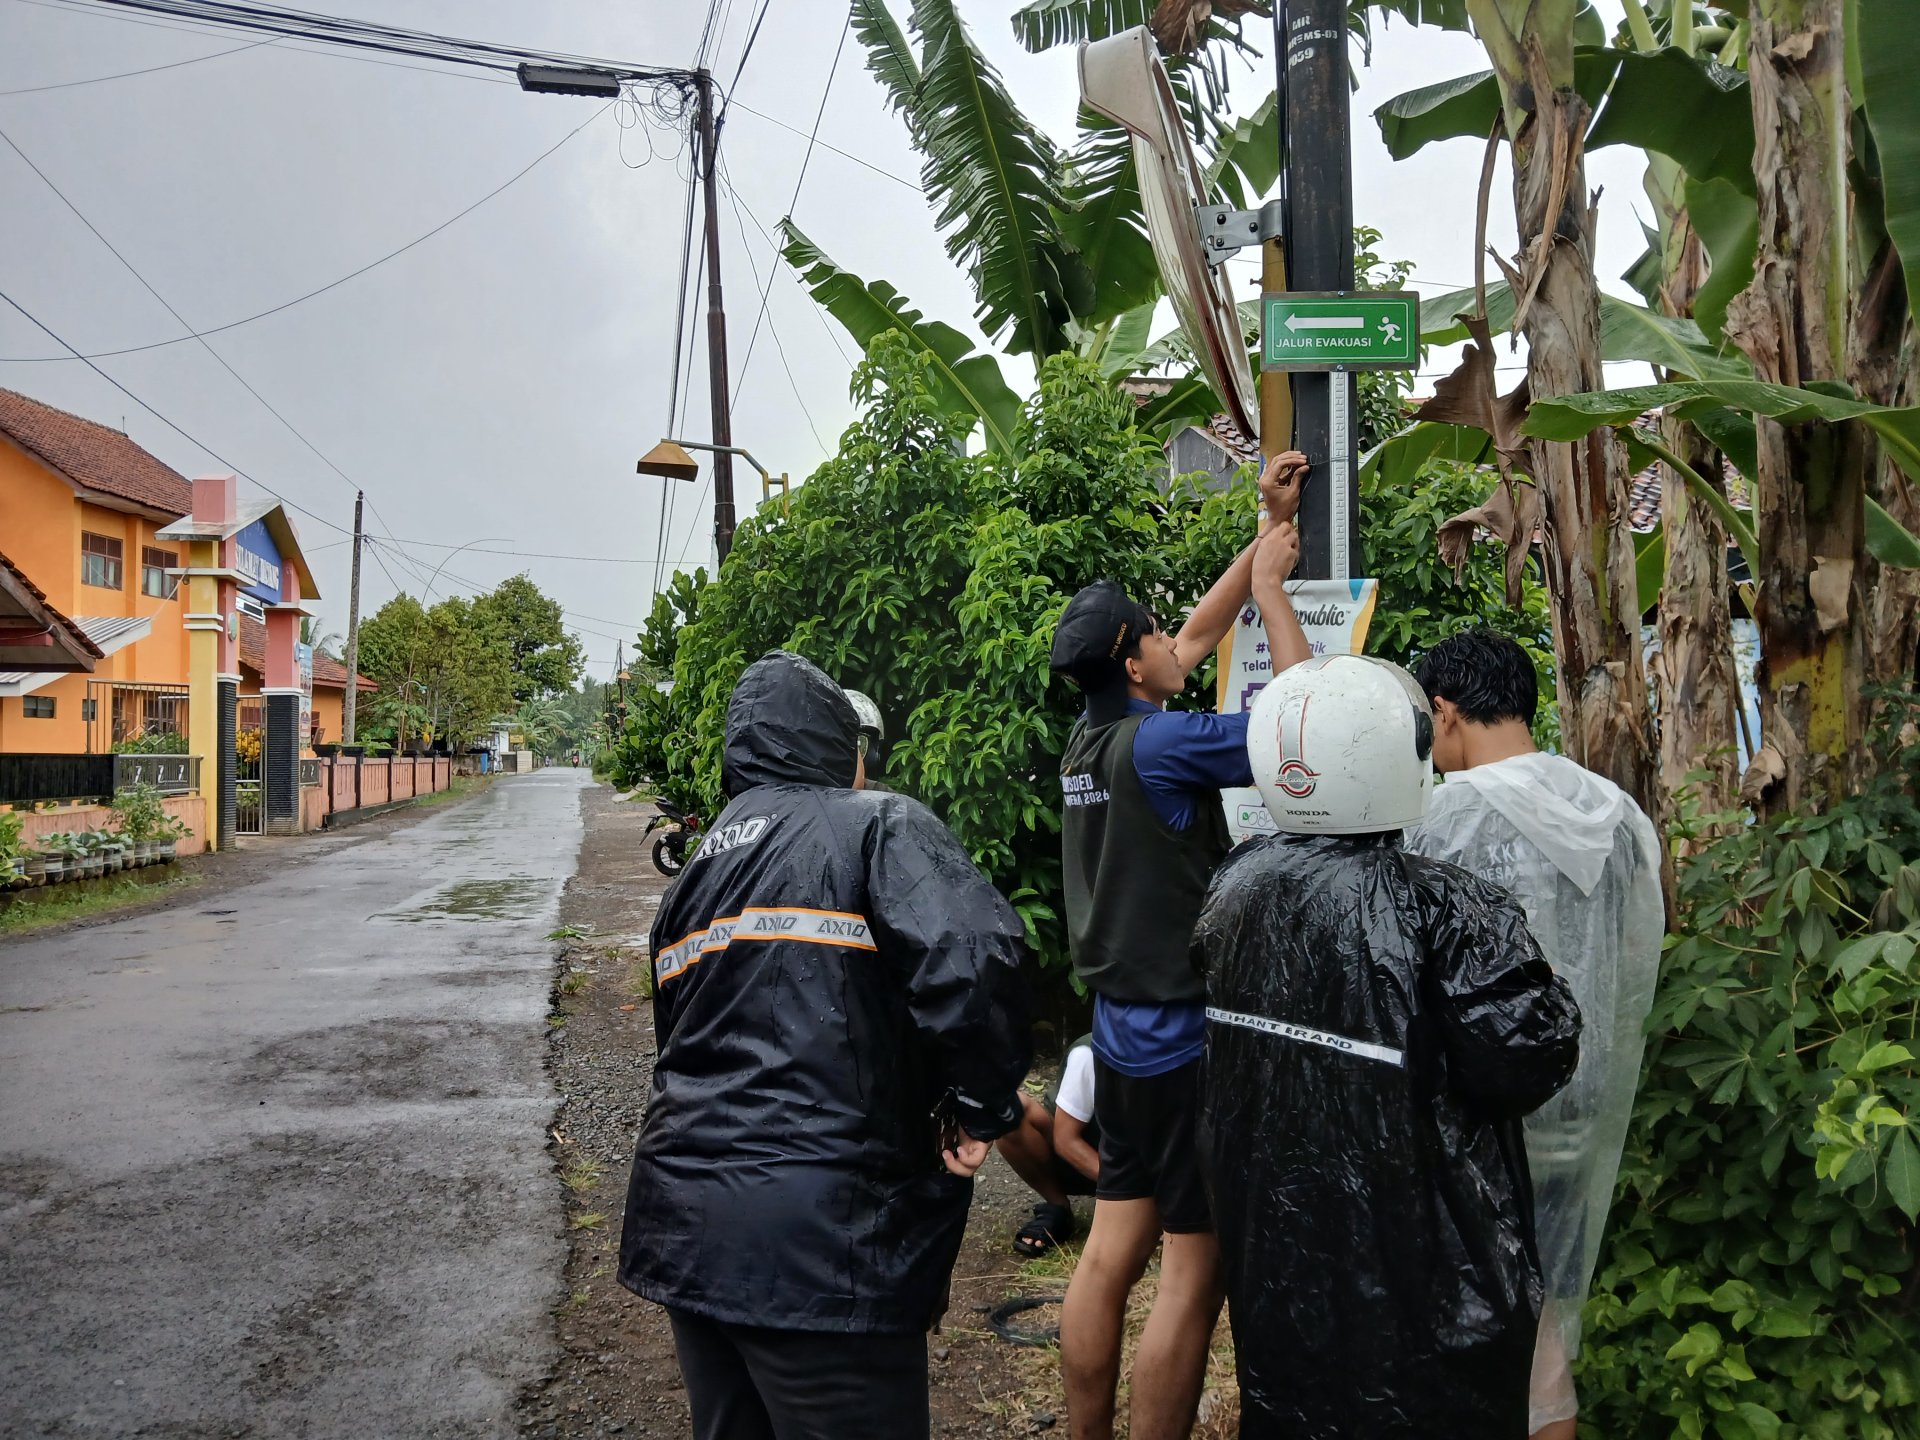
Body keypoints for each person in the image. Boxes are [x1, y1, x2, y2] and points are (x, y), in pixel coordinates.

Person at [619, 650, 1032, 1440]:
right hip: (821, 1246)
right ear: (840, 747)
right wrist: (982, 1108)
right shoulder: (878, 823)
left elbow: (680, 1046)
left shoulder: (692, 880)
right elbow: (977, 958)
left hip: (685, 1230)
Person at [1194, 653, 1582, 1438]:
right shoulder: (1447, 905)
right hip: (1431, 1255)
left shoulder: (1236, 885)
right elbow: (1526, 1056)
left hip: (1282, 1240)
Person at [1048, 450, 1311, 1440]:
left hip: (1117, 1035)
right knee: (1194, 1270)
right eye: (1153, 632)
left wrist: (1265, 530)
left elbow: (1199, 635)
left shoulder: (1090, 742)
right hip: (1182, 1040)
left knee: (1111, 1250)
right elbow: (1301, 724)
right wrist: (1275, 594)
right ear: (1131, 664)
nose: (1175, 638)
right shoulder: (1162, 743)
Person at [1403, 629, 1664, 1440]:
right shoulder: (1614, 811)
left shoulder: (1439, 818)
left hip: (1480, 1121)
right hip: (1579, 1110)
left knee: (1465, 1324)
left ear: (1444, 712)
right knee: (1543, 1314)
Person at [993, 1035, 1101, 1257]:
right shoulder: (1088, 1053)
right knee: (1010, 1110)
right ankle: (1058, 1206)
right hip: (1085, 1156)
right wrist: (1125, 1188)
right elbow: (1066, 1140)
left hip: (1146, 1165)